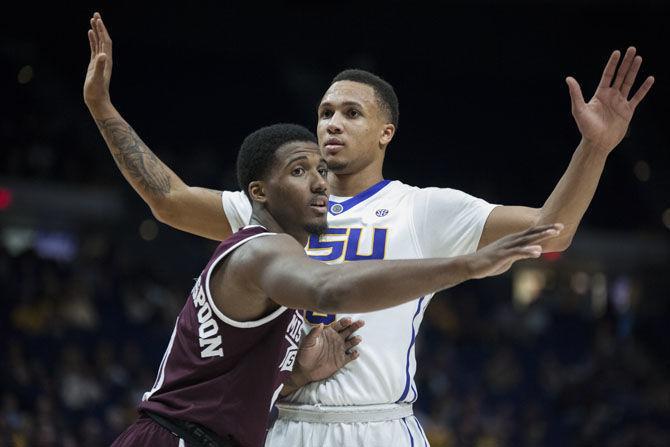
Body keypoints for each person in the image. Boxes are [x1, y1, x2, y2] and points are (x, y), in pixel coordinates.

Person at [84, 11, 653, 447]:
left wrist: (594, 148)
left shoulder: (423, 208)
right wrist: (105, 110)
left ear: (386, 133)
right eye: (326, 112)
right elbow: (169, 200)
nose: (333, 123)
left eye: (352, 114)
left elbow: (551, 233)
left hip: (378, 423)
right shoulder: (277, 212)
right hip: (282, 422)